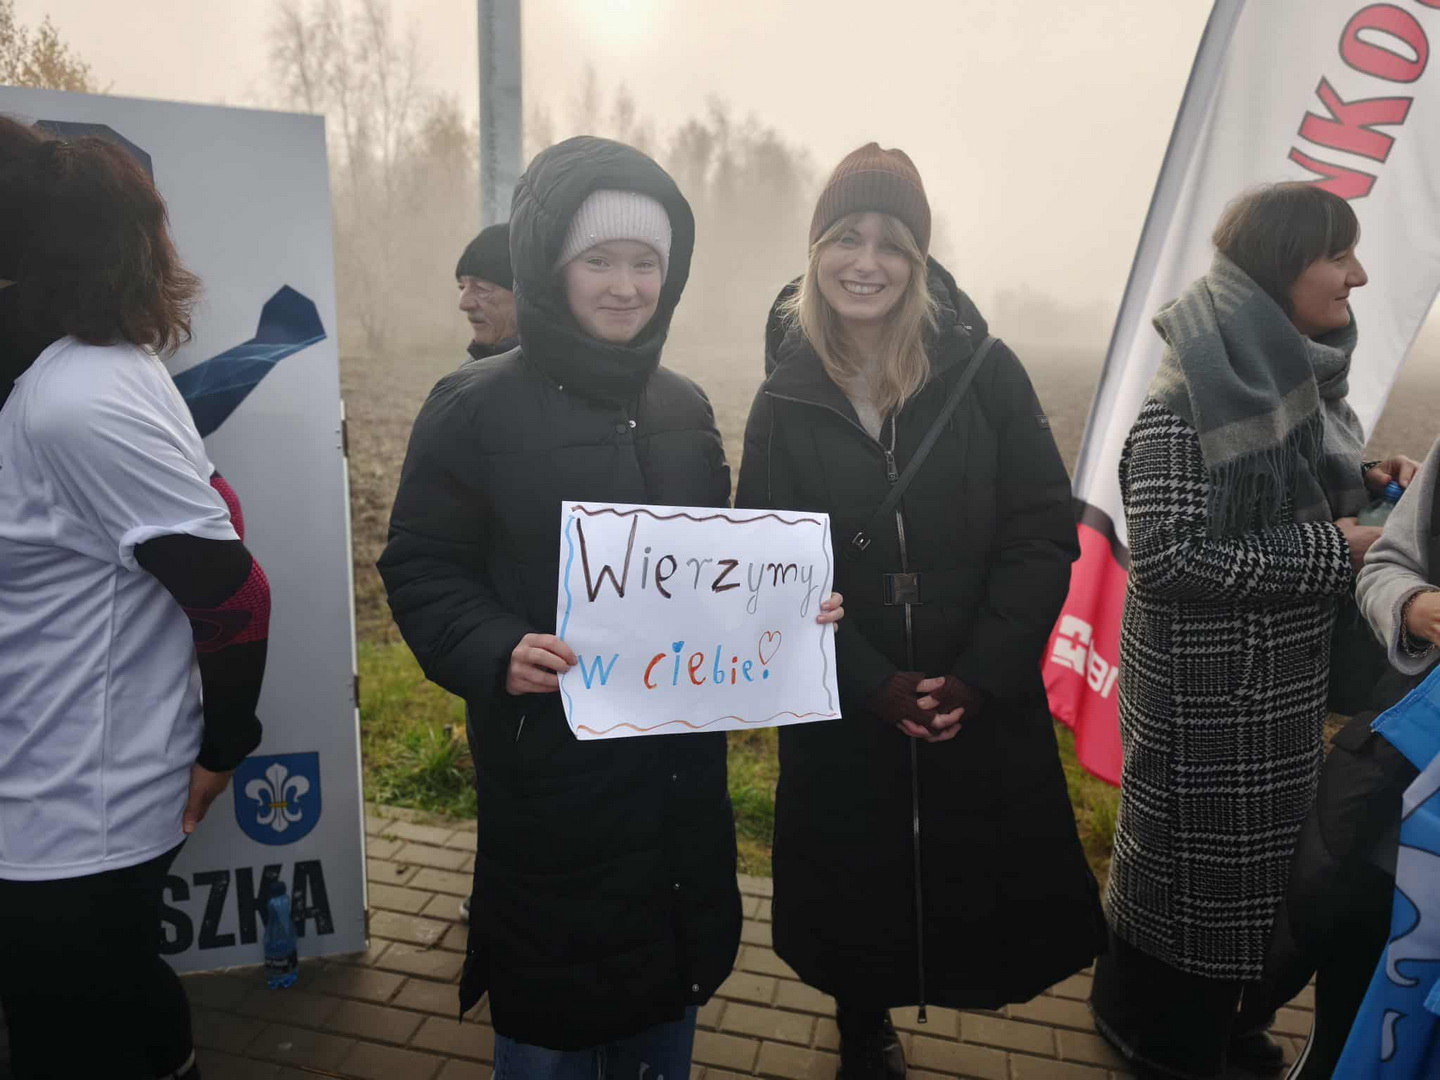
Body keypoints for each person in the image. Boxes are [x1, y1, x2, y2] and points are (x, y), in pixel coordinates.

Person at [378, 135, 843, 1077]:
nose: (627, 286)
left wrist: (786, 612)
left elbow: (709, 573)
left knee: (665, 1003)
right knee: (551, 1021)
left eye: (646, 263)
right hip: (552, 772)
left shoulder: (684, 406)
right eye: (600, 260)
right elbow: (424, 565)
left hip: (678, 778)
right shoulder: (471, 406)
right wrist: (495, 647)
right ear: (550, 266)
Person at [736, 143, 1105, 1079]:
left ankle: (965, 979)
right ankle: (862, 1024)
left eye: (891, 244)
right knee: (851, 873)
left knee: (974, 861)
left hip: (972, 686)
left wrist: (979, 676)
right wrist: (870, 681)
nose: (866, 263)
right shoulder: (783, 394)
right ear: (816, 251)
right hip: (847, 693)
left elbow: (1039, 533)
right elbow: (769, 566)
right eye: (845, 238)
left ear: (919, 259)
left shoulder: (986, 372)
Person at [1091, 182, 1416, 1079]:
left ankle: (1216, 1021)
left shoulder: (1286, 373)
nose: (1358, 274)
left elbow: (1283, 480)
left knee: (1251, 884)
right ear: (1282, 266)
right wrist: (1335, 549)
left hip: (1271, 695)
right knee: (1187, 884)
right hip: (1203, 707)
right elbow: (1169, 558)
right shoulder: (1187, 398)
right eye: (1338, 255)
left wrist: (1365, 478)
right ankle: (1154, 1036)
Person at [0, 117, 269, 1079]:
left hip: (74, 805)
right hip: (45, 777)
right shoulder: (70, 374)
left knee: (82, 1024)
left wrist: (225, 744)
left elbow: (234, 591)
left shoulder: (79, 398)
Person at [457, 222, 518, 364]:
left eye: (482, 288)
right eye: (462, 287)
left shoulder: (554, 372)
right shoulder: (474, 366)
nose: (464, 304)